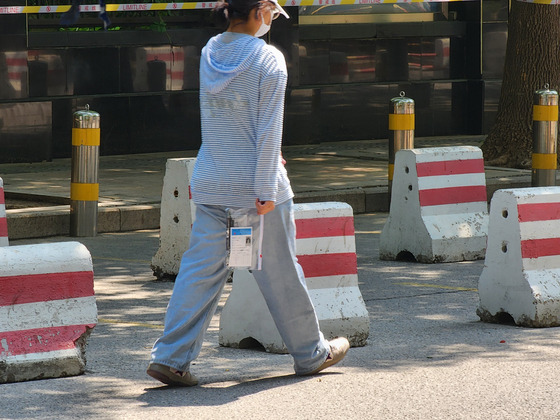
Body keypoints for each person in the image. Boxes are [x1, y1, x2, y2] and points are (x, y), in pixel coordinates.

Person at [147, 0, 349, 387]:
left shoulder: (210, 51)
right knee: (282, 270)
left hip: (211, 180)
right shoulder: (269, 59)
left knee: (199, 272)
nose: (271, 22)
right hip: (255, 187)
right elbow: (269, 127)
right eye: (272, 14)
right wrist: (265, 188)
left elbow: (229, 115)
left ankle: (171, 357)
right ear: (260, 11)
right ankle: (311, 353)